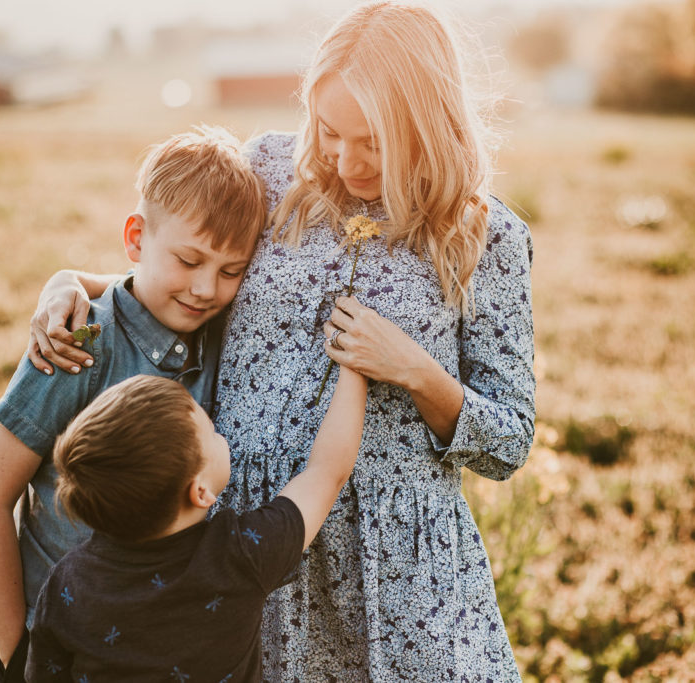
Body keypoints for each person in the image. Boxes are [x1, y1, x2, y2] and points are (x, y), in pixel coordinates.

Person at [27, 2, 535, 680]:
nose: (345, 159)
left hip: (400, 567)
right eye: (329, 130)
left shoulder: (486, 236)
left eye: (374, 141)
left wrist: (416, 370)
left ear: (428, 120)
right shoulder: (270, 170)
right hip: (252, 543)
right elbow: (184, 272)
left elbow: (509, 440)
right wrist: (73, 281)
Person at [0, 126, 268, 683]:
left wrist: (71, 277)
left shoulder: (224, 335)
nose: (205, 288)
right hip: (61, 650)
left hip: (166, 655)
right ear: (136, 238)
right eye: (189, 260)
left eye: (230, 271)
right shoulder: (78, 343)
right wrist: (13, 658)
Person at [26, 366, 366, 681]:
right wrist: (354, 369)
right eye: (212, 431)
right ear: (200, 491)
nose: (221, 436)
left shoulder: (65, 583)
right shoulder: (239, 553)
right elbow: (326, 473)